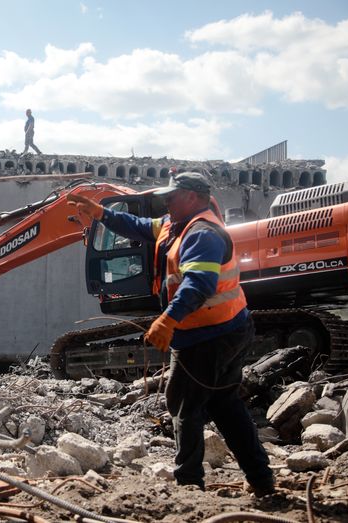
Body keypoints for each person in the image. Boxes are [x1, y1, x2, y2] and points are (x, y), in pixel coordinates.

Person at [68, 172, 275, 496]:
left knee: (183, 403)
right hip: (224, 328)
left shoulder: (202, 234)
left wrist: (167, 319)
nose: (166, 201)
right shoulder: (172, 224)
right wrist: (102, 215)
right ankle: (261, 479)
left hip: (209, 335)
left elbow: (199, 285)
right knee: (224, 404)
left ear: (192, 197)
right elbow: (137, 227)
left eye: (172, 196)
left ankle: (188, 484)